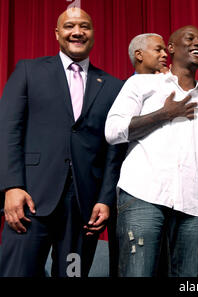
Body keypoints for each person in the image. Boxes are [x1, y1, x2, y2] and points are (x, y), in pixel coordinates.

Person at [0, 7, 125, 277]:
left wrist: (104, 199)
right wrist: (12, 187)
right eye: (69, 26)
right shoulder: (28, 71)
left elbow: (114, 151)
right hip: (30, 202)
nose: (77, 32)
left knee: (72, 273)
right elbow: (8, 130)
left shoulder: (114, 87)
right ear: (57, 33)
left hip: (82, 212)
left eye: (84, 26)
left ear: (93, 34)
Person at [104, 25, 198, 277]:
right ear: (171, 48)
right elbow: (113, 130)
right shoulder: (142, 83)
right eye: (190, 38)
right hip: (142, 196)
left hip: (190, 206)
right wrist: (165, 114)